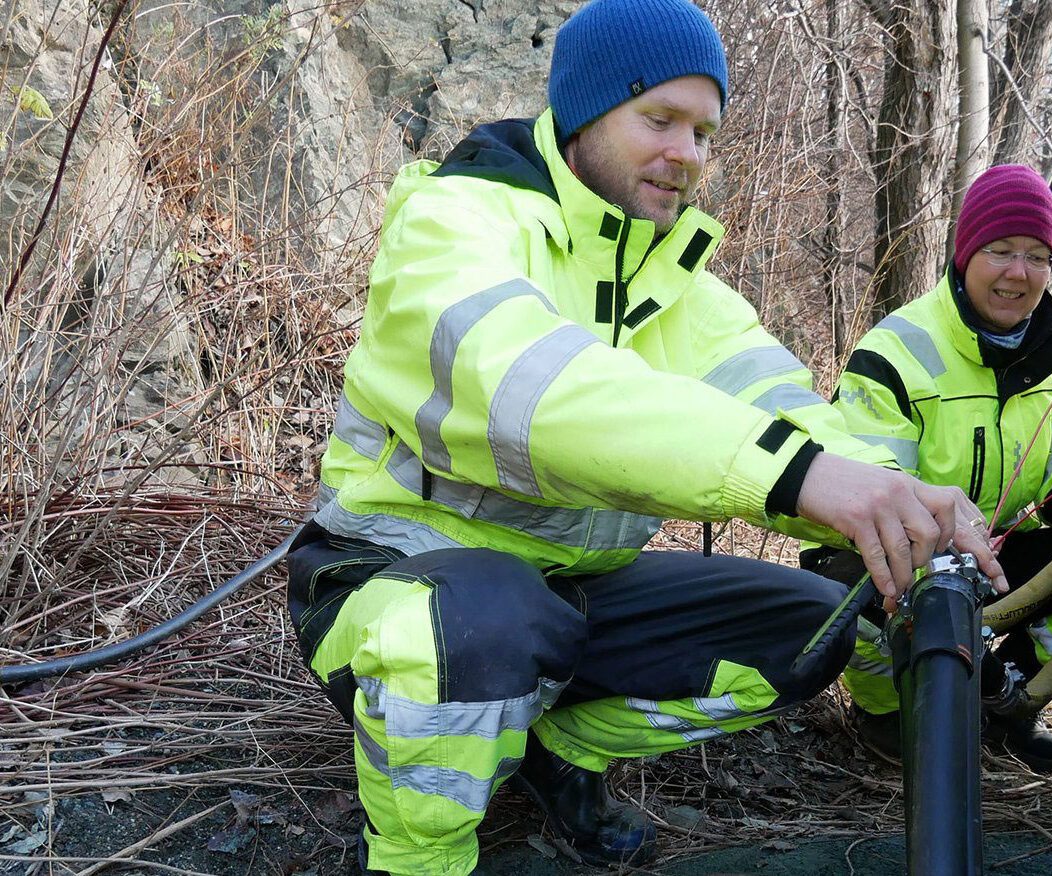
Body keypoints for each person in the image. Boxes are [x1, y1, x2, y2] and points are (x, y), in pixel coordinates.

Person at [283, 1, 1002, 872]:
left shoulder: (680, 286)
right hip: (396, 580)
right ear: (583, 113)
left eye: (703, 130)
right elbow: (543, 395)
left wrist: (900, 497)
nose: (686, 154)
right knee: (468, 626)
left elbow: (794, 409)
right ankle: (416, 858)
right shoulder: (459, 223)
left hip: (573, 593)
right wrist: (800, 477)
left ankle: (558, 754)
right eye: (658, 119)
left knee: (817, 629)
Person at [806, 164, 1052, 774]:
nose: (1019, 272)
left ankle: (1009, 707)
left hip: (996, 552)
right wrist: (942, 539)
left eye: (1038, 256)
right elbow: (863, 495)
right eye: (1001, 251)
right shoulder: (897, 349)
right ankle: (889, 715)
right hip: (903, 550)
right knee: (850, 579)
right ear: (964, 256)